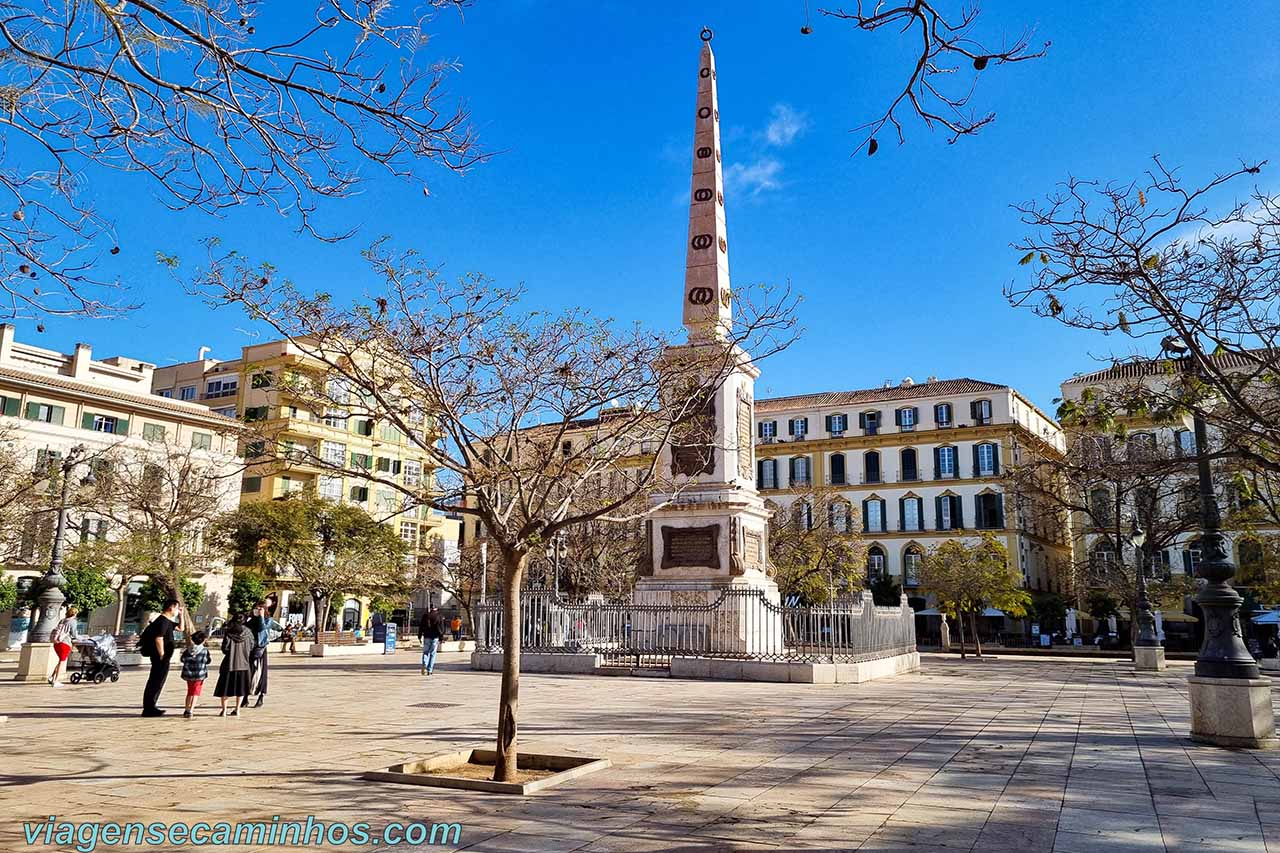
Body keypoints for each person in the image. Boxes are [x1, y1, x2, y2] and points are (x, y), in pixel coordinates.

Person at [139, 599, 181, 717]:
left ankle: (151, 706)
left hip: (162, 657)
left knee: (157, 681)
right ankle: (149, 708)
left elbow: (181, 628)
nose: (177, 611)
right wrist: (162, 654)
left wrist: (181, 616)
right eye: (177, 608)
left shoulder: (167, 621)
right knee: (156, 681)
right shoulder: (162, 621)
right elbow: (159, 638)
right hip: (160, 657)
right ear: (171, 608)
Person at [243, 600, 282, 708]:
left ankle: (261, 696)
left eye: (260, 608)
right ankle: (245, 697)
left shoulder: (267, 620)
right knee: (248, 673)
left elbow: (261, 628)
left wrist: (260, 616)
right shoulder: (251, 620)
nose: (257, 610)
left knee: (260, 673)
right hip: (250, 649)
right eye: (255, 608)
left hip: (260, 649)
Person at [214, 615, 253, 716]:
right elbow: (252, 645)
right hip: (243, 664)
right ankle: (237, 709)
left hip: (229, 665)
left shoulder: (229, 633)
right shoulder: (248, 632)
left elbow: (225, 649)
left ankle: (224, 710)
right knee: (240, 689)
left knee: (225, 689)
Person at [180, 631, 210, 718]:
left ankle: (186, 708)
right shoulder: (204, 651)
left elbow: (182, 659)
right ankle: (191, 710)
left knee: (189, 692)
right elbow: (207, 661)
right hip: (199, 674)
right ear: (203, 640)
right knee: (196, 692)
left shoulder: (188, 650)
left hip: (188, 674)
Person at [49, 605, 80, 688]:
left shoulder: (62, 620)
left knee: (60, 661)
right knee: (62, 662)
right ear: (74, 614)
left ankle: (52, 677)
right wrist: (81, 638)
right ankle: (56, 681)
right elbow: (74, 634)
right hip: (65, 643)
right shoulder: (73, 622)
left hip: (56, 643)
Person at [418, 606, 443, 676]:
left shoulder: (425, 616)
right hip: (435, 637)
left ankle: (424, 664)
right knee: (432, 653)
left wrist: (419, 636)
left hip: (426, 636)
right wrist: (441, 637)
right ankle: (430, 670)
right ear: (436, 609)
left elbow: (421, 626)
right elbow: (441, 628)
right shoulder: (439, 616)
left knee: (425, 652)